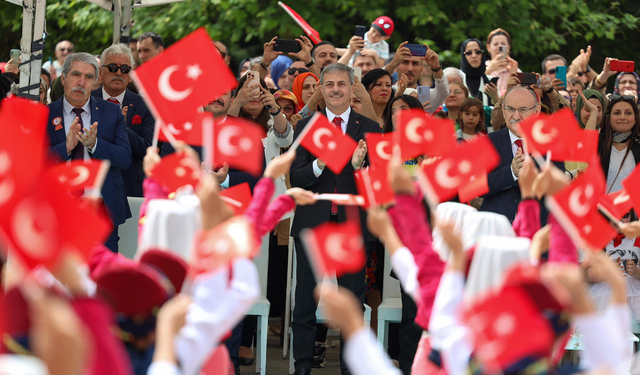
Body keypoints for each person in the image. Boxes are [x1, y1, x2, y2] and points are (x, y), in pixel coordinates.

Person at [289, 63, 381, 375]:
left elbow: (379, 185)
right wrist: (320, 163)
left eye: (341, 83)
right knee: (305, 303)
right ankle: (302, 366)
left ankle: (350, 367)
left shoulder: (370, 128)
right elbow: (296, 177)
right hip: (313, 225)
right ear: (322, 89)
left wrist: (358, 169)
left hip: (353, 227)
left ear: (352, 87)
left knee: (352, 305)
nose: (335, 89)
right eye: (329, 84)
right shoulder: (307, 126)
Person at [45, 52, 132, 252]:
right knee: (61, 276)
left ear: (95, 82)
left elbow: (125, 158)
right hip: (59, 209)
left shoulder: (112, 112)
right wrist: (65, 148)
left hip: (102, 208)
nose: (81, 82)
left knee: (103, 276)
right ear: (63, 78)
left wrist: (95, 145)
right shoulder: (45, 114)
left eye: (89, 77)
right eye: (76, 75)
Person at [480, 86, 564, 223]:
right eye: (511, 109)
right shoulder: (488, 142)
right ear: (503, 110)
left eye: (523, 110)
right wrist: (511, 173)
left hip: (536, 227)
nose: (516, 116)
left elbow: (558, 188)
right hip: (497, 227)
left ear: (536, 111)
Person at [91, 44, 154, 197]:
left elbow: (148, 151)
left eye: (125, 69)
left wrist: (122, 128)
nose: (119, 72)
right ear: (100, 72)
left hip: (130, 187)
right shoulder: (87, 101)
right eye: (113, 67)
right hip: (94, 185)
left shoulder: (145, 106)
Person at [385, 41, 449, 114]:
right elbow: (375, 80)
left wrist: (436, 68)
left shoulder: (426, 96)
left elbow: (444, 91)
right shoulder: (387, 92)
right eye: (405, 62)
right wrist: (392, 64)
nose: (410, 68)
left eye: (415, 63)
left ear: (421, 70)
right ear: (396, 67)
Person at [597, 95, 640, 195]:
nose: (622, 117)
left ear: (635, 119)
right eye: (617, 113)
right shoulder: (598, 144)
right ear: (608, 118)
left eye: (628, 113)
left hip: (633, 209)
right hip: (602, 208)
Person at [483, 28, 518, 99]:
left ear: (508, 47)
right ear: (488, 47)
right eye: (495, 44)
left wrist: (514, 74)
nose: (499, 47)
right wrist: (489, 70)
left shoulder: (515, 70)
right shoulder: (481, 68)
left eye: (503, 44)